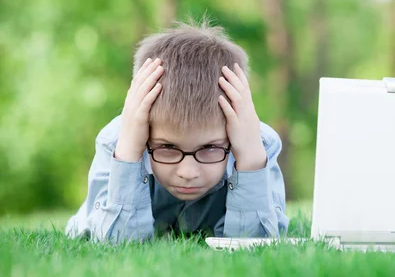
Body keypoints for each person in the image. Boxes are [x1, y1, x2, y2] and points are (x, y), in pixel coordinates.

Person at [66, 20, 289, 242]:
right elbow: (116, 243)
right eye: (167, 147)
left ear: (232, 132)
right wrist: (129, 155)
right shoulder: (116, 140)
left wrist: (250, 163)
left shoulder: (260, 143)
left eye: (210, 148)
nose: (188, 173)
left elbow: (256, 243)